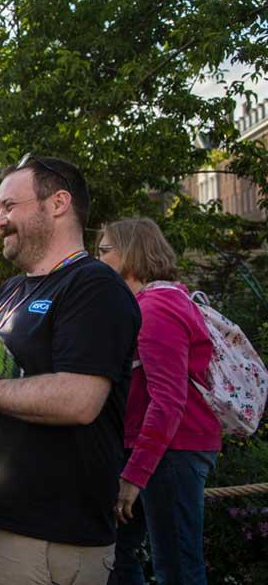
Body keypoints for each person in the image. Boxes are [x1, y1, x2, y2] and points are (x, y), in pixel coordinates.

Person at [0, 154, 141, 585]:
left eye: (9, 206)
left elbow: (78, 400)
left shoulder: (94, 286)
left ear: (58, 203)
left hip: (44, 534)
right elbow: (5, 376)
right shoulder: (10, 289)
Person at [97, 218, 220, 585]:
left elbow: (167, 401)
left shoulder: (157, 309)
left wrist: (135, 475)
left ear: (130, 254)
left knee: (178, 570)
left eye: (104, 251)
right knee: (118, 557)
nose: (96, 259)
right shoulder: (152, 302)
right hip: (155, 451)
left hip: (172, 451)